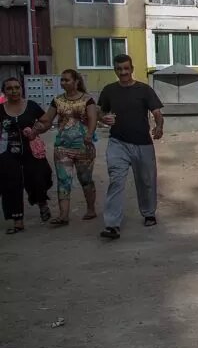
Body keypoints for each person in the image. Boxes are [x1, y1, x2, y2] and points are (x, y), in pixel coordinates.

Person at [97, 54, 164, 240]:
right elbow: (100, 111)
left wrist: (159, 126)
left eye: (126, 68)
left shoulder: (144, 90)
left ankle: (149, 212)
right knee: (116, 180)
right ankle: (112, 225)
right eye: (119, 69)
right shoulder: (109, 90)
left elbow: (157, 112)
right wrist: (103, 118)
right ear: (115, 70)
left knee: (147, 180)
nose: (123, 72)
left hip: (142, 143)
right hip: (118, 142)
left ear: (132, 69)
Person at [31, 70, 99, 224]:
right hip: (62, 147)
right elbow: (47, 119)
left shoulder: (88, 100)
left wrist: (90, 133)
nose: (63, 83)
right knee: (63, 180)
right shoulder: (57, 100)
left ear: (76, 82)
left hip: (84, 147)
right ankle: (63, 215)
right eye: (62, 80)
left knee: (85, 179)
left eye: (66, 80)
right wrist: (38, 128)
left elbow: (93, 118)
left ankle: (91, 209)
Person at [1, 77, 53, 234]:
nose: (14, 91)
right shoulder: (0, 109)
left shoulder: (31, 106)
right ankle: (17, 220)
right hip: (8, 152)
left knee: (38, 177)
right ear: (4, 92)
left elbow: (46, 122)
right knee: (11, 184)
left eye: (17, 87)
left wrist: (37, 130)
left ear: (21, 89)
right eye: (10, 88)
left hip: (32, 149)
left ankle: (42, 203)